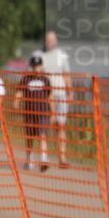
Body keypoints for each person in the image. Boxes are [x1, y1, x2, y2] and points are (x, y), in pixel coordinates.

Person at [15, 53, 52, 172]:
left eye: (38, 65)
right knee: (30, 137)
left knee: (42, 135)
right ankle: (29, 159)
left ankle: (44, 159)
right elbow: (19, 93)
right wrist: (16, 103)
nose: (36, 68)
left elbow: (50, 96)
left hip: (43, 111)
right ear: (31, 66)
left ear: (41, 66)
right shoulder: (26, 78)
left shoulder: (45, 79)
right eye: (34, 66)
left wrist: (53, 110)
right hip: (29, 112)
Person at [41, 30, 72, 168]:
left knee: (61, 125)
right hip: (47, 95)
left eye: (52, 39)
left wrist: (70, 92)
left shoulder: (62, 56)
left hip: (61, 95)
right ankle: (45, 156)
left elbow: (67, 74)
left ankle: (63, 158)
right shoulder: (42, 56)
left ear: (56, 41)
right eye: (48, 39)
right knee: (47, 125)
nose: (50, 42)